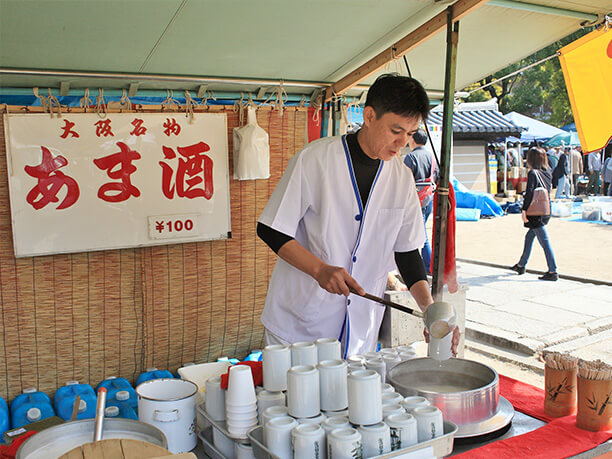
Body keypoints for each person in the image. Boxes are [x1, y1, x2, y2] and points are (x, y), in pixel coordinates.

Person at [256, 74, 459, 356]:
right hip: (300, 324)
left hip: (360, 328)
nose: (402, 142)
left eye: (410, 134)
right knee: (292, 398)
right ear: (370, 116)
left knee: (349, 399)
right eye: (395, 130)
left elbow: (407, 253)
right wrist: (320, 270)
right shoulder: (315, 160)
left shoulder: (402, 178)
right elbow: (271, 229)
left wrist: (430, 310)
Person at [511, 148, 558, 281]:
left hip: (534, 211)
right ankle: (521, 264)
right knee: (529, 236)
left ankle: (553, 270)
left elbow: (530, 193)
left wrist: (524, 210)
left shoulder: (533, 173)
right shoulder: (548, 172)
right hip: (546, 209)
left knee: (544, 241)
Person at [403, 129, 439, 274]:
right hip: (428, 198)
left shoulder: (411, 157)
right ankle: (426, 265)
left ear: (412, 139)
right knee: (422, 230)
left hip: (414, 200)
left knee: (420, 234)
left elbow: (404, 180)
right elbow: (437, 176)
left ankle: (428, 266)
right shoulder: (432, 157)